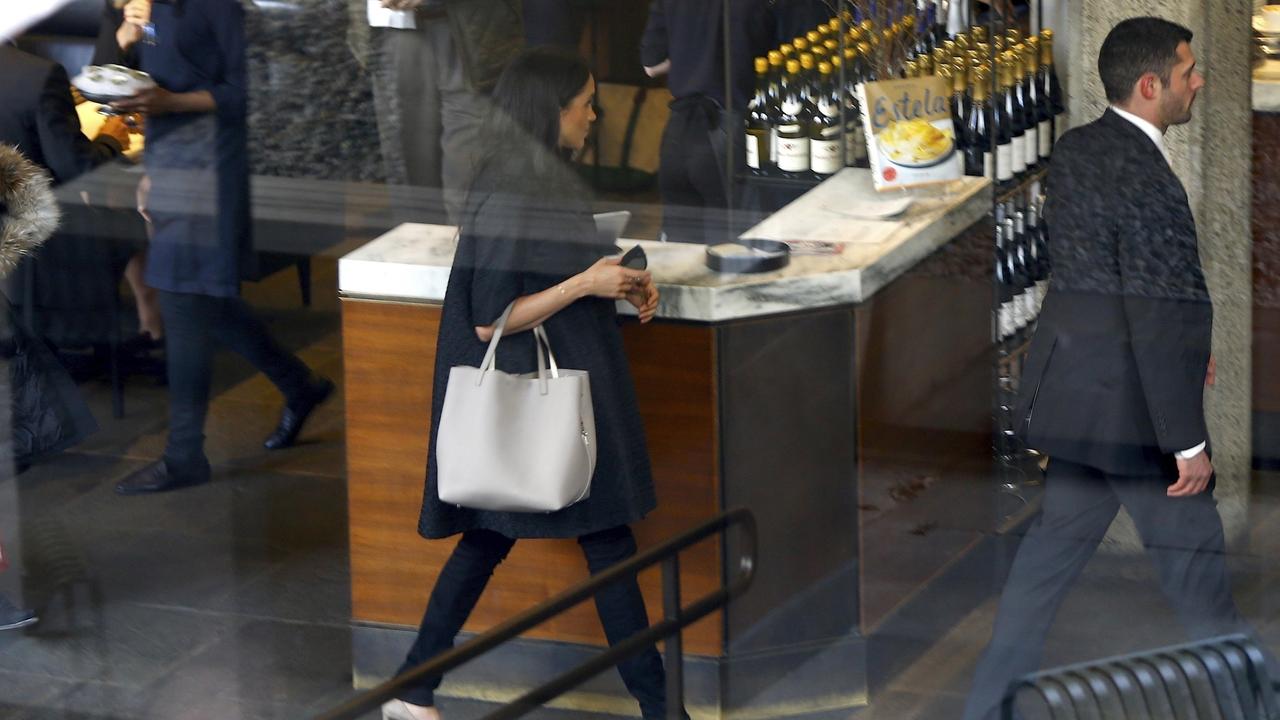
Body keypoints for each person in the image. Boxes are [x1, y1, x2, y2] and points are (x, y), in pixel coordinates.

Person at [962, 17, 1268, 720]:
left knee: (1040, 578)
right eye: (1189, 72)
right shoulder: (1152, 181)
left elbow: (1101, 283)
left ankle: (983, 709)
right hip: (1136, 422)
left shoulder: (1076, 150)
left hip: (1080, 405)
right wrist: (1186, 442)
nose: (1199, 82)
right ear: (1151, 84)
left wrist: (1193, 347)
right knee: (1202, 587)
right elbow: (1154, 311)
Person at [380, 48, 676, 720]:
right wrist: (589, 282)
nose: (594, 116)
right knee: (599, 541)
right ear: (553, 108)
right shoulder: (519, 180)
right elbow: (490, 319)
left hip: (546, 393)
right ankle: (663, 711)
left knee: (495, 536)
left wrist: (618, 272)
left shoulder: (528, 171)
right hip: (545, 393)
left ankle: (414, 687)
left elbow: (537, 265)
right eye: (586, 103)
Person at [99, 0, 334, 495]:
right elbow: (129, 90)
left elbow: (246, 91)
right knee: (207, 302)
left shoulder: (218, 5)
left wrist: (169, 105)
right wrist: (149, 171)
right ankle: (301, 386)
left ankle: (184, 455)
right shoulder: (149, 8)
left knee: (184, 302)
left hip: (213, 169)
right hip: (171, 164)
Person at [354, 0, 523, 221]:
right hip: (389, 28)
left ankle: (469, 253)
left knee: (469, 187)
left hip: (472, 31)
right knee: (413, 198)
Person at [640, 0, 772, 244]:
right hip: (728, 128)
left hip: (679, 129)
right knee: (731, 252)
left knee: (679, 254)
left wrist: (688, 57)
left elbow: (651, 66)